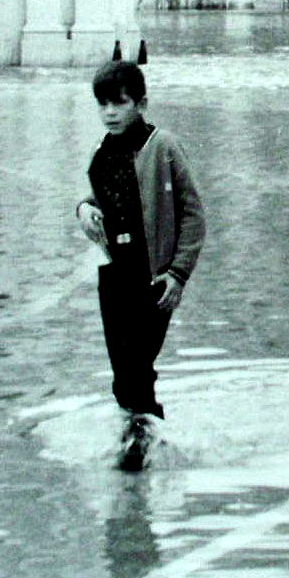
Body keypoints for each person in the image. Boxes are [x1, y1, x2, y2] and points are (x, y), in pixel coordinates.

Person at [76, 59, 207, 470]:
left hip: (154, 279)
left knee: (136, 367)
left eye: (120, 103)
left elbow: (193, 214)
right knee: (123, 371)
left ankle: (141, 452)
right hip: (115, 276)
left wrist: (178, 274)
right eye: (103, 104)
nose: (110, 112)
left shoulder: (163, 146)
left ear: (141, 103)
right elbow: (105, 197)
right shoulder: (102, 152)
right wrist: (83, 208)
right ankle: (142, 448)